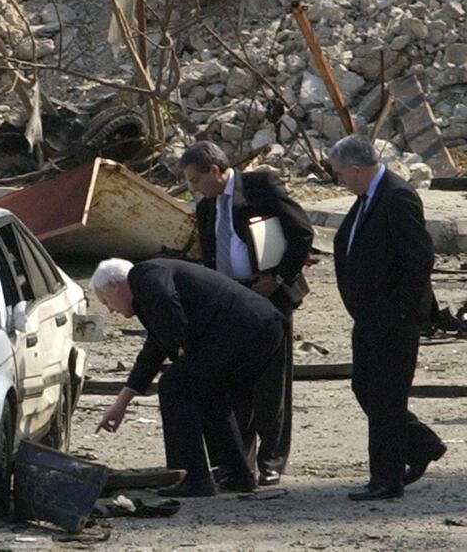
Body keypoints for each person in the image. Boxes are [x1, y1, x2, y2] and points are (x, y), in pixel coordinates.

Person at [179, 141, 313, 486]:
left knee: (272, 384)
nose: (193, 188)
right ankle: (237, 461)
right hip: (231, 301)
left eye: (196, 180)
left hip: (269, 295)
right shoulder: (207, 208)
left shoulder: (260, 187)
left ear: (214, 170)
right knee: (236, 382)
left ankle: (272, 460)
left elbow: (301, 232)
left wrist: (279, 276)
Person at [91, 257, 284, 497]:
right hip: (263, 327)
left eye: (106, 301)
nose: (110, 310)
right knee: (207, 391)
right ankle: (237, 474)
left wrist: (181, 347)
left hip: (245, 328)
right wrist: (121, 404)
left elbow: (165, 299)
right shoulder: (146, 298)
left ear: (114, 285)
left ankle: (192, 477)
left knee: (174, 385)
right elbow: (153, 352)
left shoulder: (144, 274)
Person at [329, 135, 446, 501]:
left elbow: (419, 259)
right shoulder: (368, 198)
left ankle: (386, 478)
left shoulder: (396, 196)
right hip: (369, 316)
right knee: (366, 389)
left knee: (386, 398)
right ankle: (422, 443)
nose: (339, 181)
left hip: (393, 317)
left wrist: (400, 310)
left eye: (340, 174)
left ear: (357, 169)